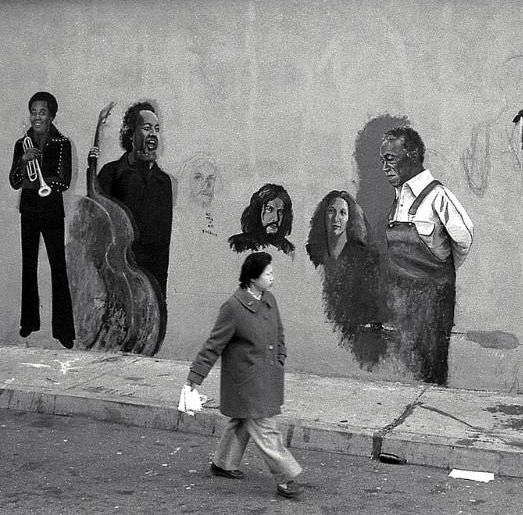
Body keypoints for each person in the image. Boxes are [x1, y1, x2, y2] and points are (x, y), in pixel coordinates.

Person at [186, 252, 304, 499]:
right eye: (268, 273)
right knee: (266, 428)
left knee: (242, 420)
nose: (273, 277)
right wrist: (195, 377)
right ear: (253, 278)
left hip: (268, 376)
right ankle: (286, 477)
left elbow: (279, 333)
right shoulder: (233, 307)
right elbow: (213, 345)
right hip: (247, 383)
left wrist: (281, 357)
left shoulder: (269, 299)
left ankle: (223, 463)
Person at [380, 126, 474, 385]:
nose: (385, 167)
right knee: (406, 368)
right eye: (383, 161)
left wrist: (441, 271)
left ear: (411, 155)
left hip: (433, 304)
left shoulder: (437, 196)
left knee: (430, 370)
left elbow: (464, 239)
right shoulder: (398, 198)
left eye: (390, 159)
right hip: (402, 300)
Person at [9, 92, 75, 349]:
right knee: (29, 265)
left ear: (52, 115)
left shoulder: (62, 143)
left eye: (42, 112)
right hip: (28, 210)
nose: (37, 116)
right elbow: (14, 182)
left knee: (58, 266)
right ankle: (28, 321)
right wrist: (24, 164)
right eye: (33, 112)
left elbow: (63, 180)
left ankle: (64, 329)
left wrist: (39, 179)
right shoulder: (21, 144)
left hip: (52, 210)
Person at [90, 101, 174, 297]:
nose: (153, 134)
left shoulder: (163, 182)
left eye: (157, 129)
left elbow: (163, 247)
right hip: (114, 281)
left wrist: (159, 295)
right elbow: (94, 229)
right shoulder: (110, 174)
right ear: (130, 134)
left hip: (151, 283)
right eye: (146, 128)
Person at [306, 190, 388, 369]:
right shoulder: (313, 254)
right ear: (323, 215)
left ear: (350, 219)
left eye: (343, 213)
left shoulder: (365, 258)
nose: (336, 218)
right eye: (331, 211)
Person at [229, 183, 294, 256]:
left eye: (280, 212)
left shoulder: (287, 248)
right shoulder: (237, 244)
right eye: (269, 209)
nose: (276, 218)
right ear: (257, 211)